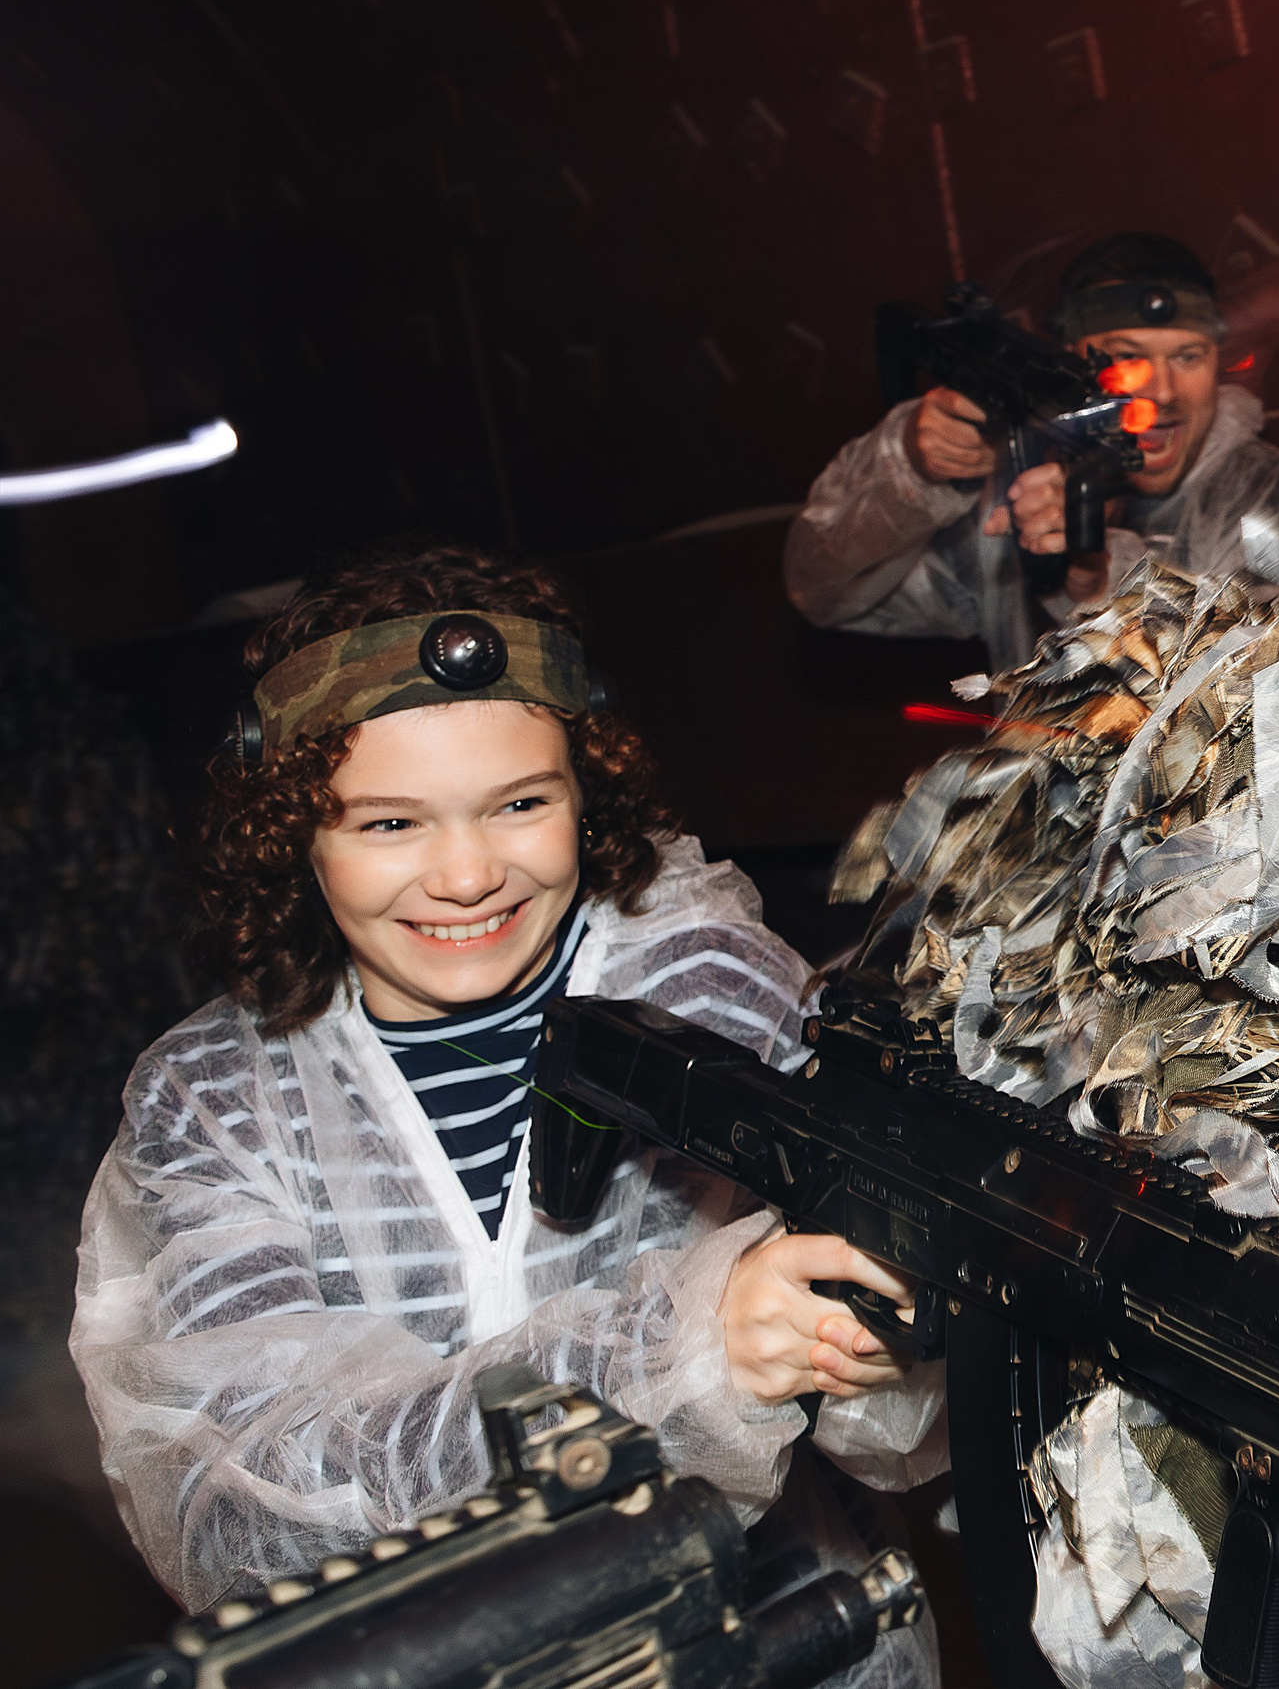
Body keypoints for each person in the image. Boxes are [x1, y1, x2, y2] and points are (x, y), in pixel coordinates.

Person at [70, 545, 941, 1687]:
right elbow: (244, 1505)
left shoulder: (713, 995)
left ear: (588, 789)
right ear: (295, 831)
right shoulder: (220, 1101)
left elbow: (908, 1420)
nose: (468, 873)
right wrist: (681, 1354)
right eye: (390, 825)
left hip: (774, 1642)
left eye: (520, 803)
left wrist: (871, 1344)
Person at [785, 232, 1279, 671]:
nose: (1162, 391)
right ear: (1073, 362)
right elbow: (825, 595)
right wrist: (908, 469)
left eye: (1189, 356)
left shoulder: (1264, 491)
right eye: (1126, 357)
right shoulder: (1015, 494)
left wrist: (1101, 582)